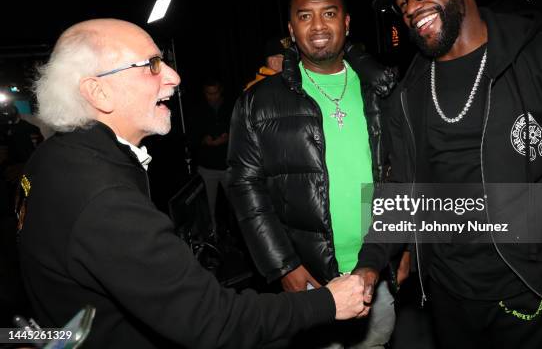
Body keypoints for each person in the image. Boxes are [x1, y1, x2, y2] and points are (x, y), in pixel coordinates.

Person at [17, 18, 366, 349]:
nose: (173, 76)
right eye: (152, 64)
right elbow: (213, 321)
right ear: (98, 91)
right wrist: (326, 302)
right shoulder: (104, 198)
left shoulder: (53, 157)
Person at [353, 0, 542, 348]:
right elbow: (399, 187)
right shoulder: (409, 92)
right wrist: (369, 265)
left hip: (541, 293)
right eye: (401, 2)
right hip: (449, 301)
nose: (410, 8)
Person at [228, 0, 401, 348]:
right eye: (305, 16)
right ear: (291, 30)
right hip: (308, 277)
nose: (319, 25)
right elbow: (245, 186)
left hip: (378, 269)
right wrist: (284, 266)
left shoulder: (383, 89)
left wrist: (404, 249)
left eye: (329, 13)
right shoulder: (259, 101)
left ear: (347, 22)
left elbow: (403, 174)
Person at [191, 79, 233, 218]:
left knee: (236, 206)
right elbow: (191, 135)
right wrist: (204, 139)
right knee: (208, 210)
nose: (212, 96)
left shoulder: (230, 106)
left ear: (220, 91)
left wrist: (228, 137)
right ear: (204, 93)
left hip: (228, 166)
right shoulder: (197, 109)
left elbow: (240, 129)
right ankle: (212, 236)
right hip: (207, 168)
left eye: (215, 93)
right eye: (209, 93)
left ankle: (236, 236)